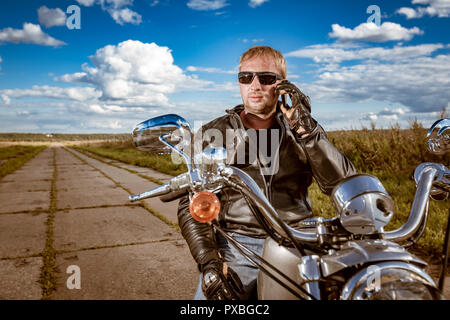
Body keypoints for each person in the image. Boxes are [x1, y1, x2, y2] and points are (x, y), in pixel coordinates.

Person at [177, 46, 356, 300]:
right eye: (246, 77)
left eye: (266, 78)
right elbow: (191, 202)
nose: (255, 85)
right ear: (239, 82)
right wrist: (209, 261)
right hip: (238, 246)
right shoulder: (211, 134)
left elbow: (344, 183)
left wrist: (306, 131)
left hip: (297, 241)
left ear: (283, 85)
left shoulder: (303, 130)